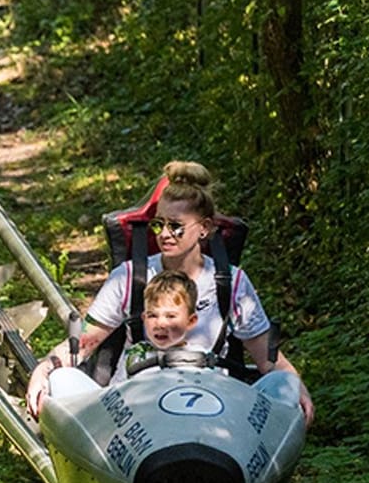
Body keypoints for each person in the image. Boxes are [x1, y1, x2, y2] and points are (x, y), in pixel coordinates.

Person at [27, 160, 315, 422]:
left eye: (176, 227)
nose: (164, 234)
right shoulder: (129, 277)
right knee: (62, 380)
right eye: (158, 224)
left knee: (284, 386)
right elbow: (85, 343)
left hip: (215, 405)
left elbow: (268, 358)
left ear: (204, 229)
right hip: (136, 405)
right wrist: (44, 369)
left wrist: (294, 384)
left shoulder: (231, 281)